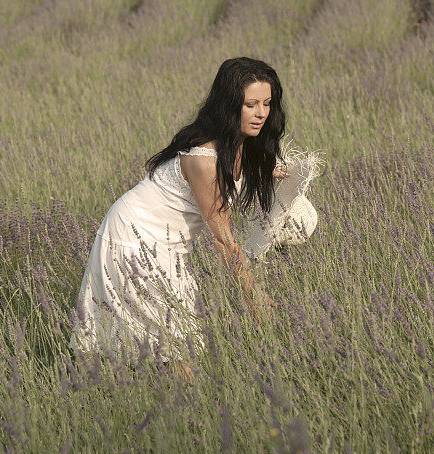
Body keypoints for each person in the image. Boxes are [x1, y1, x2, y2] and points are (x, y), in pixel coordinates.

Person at [70, 57, 294, 379]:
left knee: (169, 340)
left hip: (168, 244)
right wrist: (253, 293)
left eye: (267, 103)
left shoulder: (241, 144)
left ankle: (163, 404)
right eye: (251, 104)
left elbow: (241, 169)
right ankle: (186, 411)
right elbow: (223, 239)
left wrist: (269, 169)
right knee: (176, 340)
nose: (261, 113)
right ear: (230, 106)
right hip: (137, 237)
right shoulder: (204, 158)